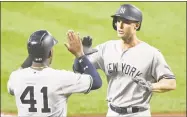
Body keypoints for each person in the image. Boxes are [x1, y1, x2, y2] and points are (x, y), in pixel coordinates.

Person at [73, 4, 176, 117]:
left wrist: (151, 86)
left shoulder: (151, 53)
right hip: (112, 112)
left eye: (126, 22)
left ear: (136, 25)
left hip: (138, 113)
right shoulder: (106, 48)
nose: (120, 25)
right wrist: (81, 55)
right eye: (118, 21)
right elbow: (79, 70)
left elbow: (171, 82)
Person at [7, 29, 102, 117]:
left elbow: (14, 82)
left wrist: (35, 52)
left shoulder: (15, 78)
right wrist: (80, 55)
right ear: (50, 53)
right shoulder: (61, 78)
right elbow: (96, 81)